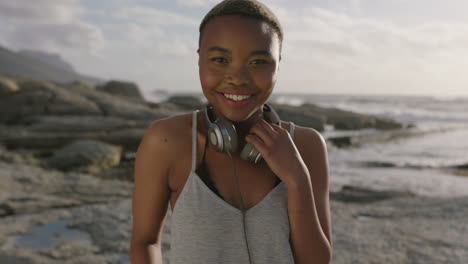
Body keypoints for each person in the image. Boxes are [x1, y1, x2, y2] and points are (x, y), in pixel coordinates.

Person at [130, 0, 332, 263]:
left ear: (278, 64)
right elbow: (145, 242)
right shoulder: (166, 140)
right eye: (220, 60)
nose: (237, 77)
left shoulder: (307, 145)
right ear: (199, 59)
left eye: (258, 61)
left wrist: (297, 179)